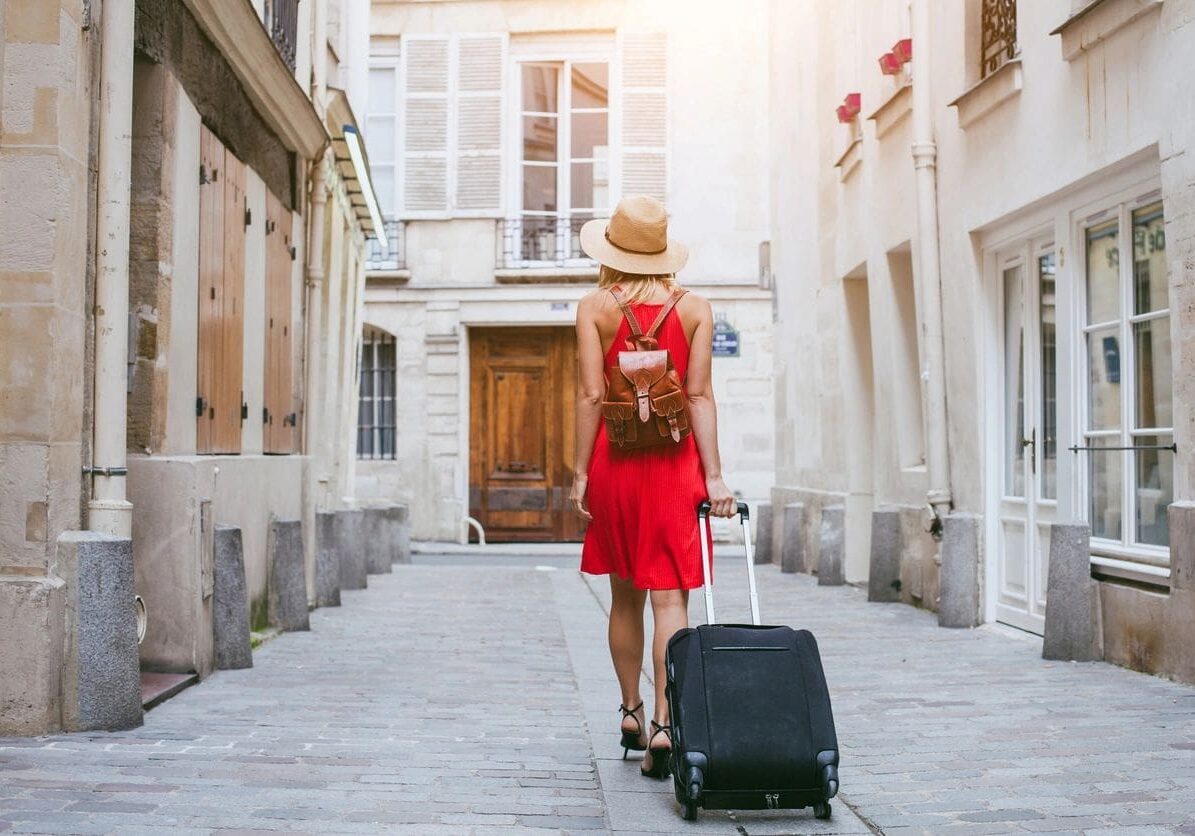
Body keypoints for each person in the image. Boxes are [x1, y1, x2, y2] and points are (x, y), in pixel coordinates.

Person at [569, 195, 737, 779]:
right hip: (675, 468)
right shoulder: (695, 307)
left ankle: (631, 711)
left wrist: (581, 474)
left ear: (612, 252)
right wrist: (714, 476)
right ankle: (667, 723)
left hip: (617, 465)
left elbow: (591, 395)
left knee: (624, 598)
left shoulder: (593, 306)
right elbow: (698, 396)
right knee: (671, 600)